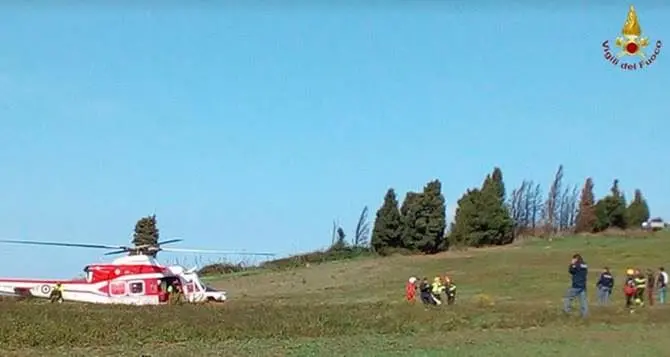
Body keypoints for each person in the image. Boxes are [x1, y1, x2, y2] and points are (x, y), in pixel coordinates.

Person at [563, 253, 588, 317]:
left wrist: (572, 264)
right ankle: (585, 315)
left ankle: (567, 311)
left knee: (567, 297)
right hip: (583, 286)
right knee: (583, 302)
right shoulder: (585, 265)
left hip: (576, 285)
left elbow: (571, 271)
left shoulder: (575, 265)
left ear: (576, 258)